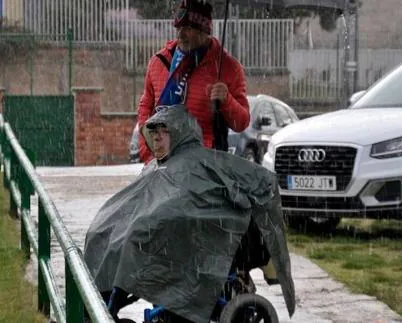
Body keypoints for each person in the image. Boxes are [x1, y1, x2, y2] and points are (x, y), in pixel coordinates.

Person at [84, 105, 295, 323]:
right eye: (153, 132)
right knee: (100, 234)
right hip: (157, 232)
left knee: (133, 240)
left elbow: (260, 179)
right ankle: (94, 304)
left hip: (185, 237)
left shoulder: (203, 162)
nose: (156, 138)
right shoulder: (156, 167)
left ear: (178, 133)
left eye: (162, 132)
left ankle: (102, 306)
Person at [137, 0, 251, 164]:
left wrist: (226, 100)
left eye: (187, 28)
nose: (180, 34)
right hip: (162, 164)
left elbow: (241, 122)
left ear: (203, 31)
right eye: (179, 27)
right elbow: (145, 109)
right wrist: (147, 153)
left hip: (203, 168)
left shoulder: (227, 68)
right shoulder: (159, 62)